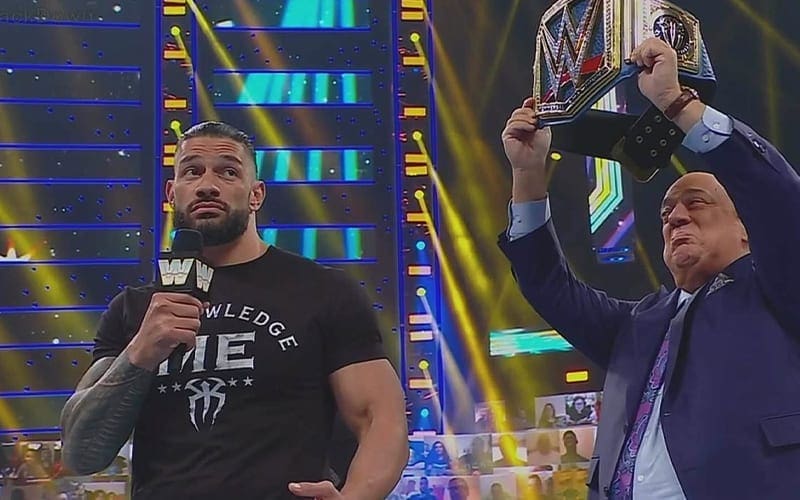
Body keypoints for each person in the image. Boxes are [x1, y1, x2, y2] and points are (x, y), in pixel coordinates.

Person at [498, 37, 800, 499]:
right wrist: (527, 174)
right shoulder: (637, 324)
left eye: (696, 203)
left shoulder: (777, 289)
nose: (675, 217)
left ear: (745, 228)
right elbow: (546, 284)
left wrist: (677, 104)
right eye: (666, 213)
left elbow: (778, 199)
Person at [59, 121, 409, 499]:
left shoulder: (322, 291)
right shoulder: (134, 308)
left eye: (228, 172)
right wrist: (140, 353)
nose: (207, 185)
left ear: (256, 195)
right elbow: (82, 453)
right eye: (192, 171)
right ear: (172, 193)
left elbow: (381, 419)